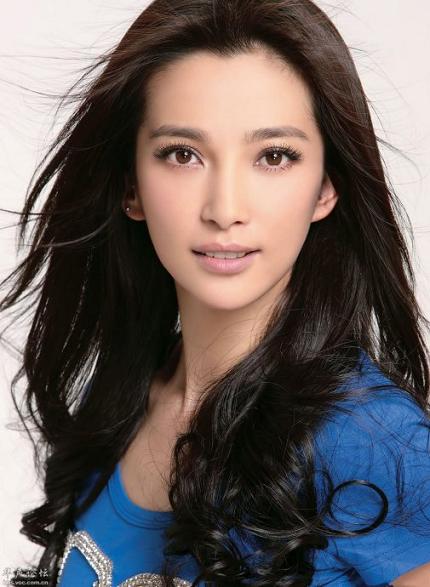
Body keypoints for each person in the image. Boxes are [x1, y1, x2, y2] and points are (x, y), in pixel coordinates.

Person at [1, 0, 429, 585]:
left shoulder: (374, 438)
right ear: (131, 186)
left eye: (274, 157)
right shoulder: (124, 400)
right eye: (183, 155)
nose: (225, 210)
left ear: (326, 187)